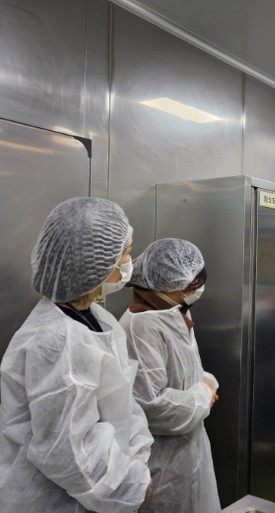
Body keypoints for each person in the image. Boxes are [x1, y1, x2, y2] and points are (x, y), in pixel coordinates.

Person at [0, 197, 153, 513]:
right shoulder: (54, 340)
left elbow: (124, 406)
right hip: (52, 501)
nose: (129, 261)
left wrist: (136, 462)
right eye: (125, 251)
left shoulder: (98, 319)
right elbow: (65, 449)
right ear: (93, 261)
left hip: (100, 490)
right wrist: (130, 483)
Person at [119, 238, 220, 513]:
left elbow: (181, 371)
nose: (196, 291)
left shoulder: (172, 313)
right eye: (190, 284)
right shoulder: (142, 325)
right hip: (163, 463)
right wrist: (203, 394)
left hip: (188, 451)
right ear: (168, 284)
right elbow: (150, 405)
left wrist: (206, 382)